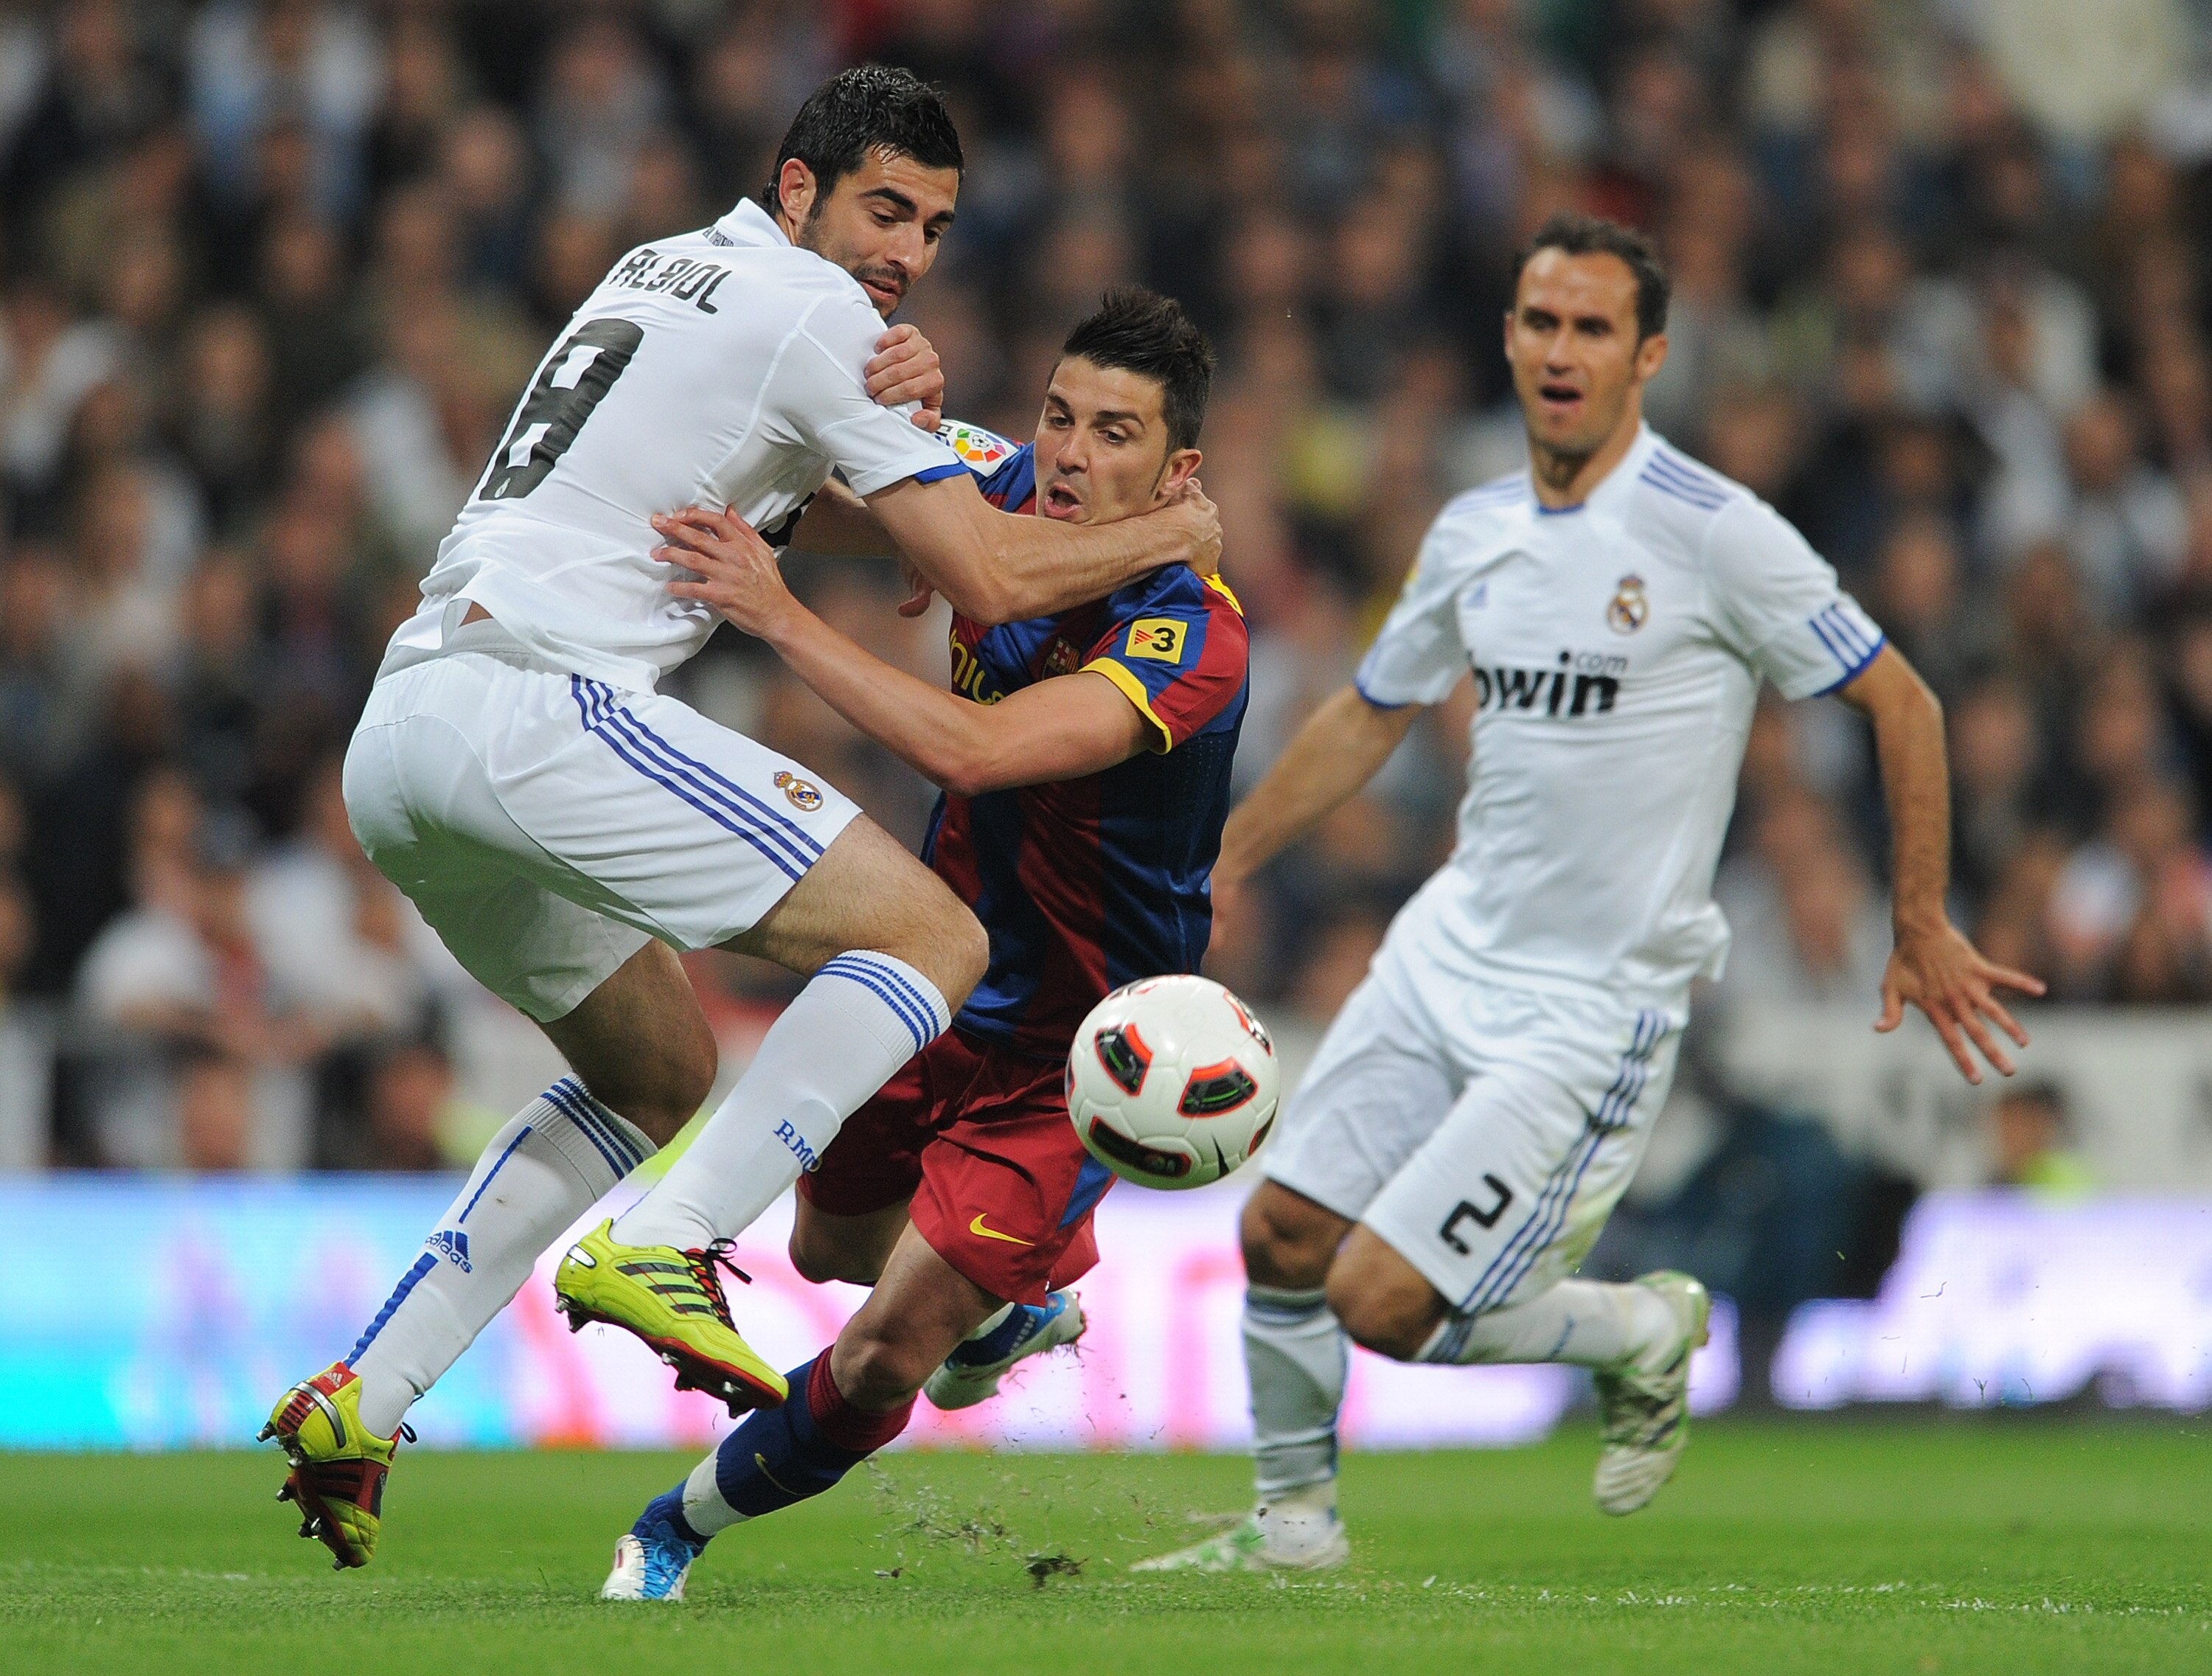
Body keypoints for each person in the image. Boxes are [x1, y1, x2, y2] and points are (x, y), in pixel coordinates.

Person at [261, 67, 1220, 1573]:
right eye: (882, 209)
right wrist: (1175, 531)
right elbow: (991, 577)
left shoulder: (665, 270)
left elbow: (767, 493)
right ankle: (667, 1240)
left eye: (936, 224)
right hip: (540, 700)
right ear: (798, 194)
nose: (905, 250)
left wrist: (903, 516)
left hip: (409, 731)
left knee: (658, 1066)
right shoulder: (815, 313)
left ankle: (362, 1396)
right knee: (928, 933)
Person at [1135, 212, 2043, 1575]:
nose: (1562, 350)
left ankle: (1639, 1328)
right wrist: (1219, 868)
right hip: (1446, 952)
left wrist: (1917, 918)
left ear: (1649, 354)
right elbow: (1372, 714)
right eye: (1541, 322)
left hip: (1588, 1010)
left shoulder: (1716, 533)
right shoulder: (1476, 529)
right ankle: (1292, 1529)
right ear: (1509, 338)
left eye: (1594, 327)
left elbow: (1901, 700)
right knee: (1278, 1229)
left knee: (1379, 1300)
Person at [594, 288, 1245, 1602]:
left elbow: (979, 750)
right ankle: (1014, 1306)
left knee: (890, 1345)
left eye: (1114, 433)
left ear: (1180, 475)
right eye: (1061, 415)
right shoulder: (997, 484)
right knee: (830, 1251)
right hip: (933, 984)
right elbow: (835, 490)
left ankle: (671, 1528)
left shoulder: (1190, 632)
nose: (1066, 452)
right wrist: (879, 424)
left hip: (1077, 1057)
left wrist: (779, 615)